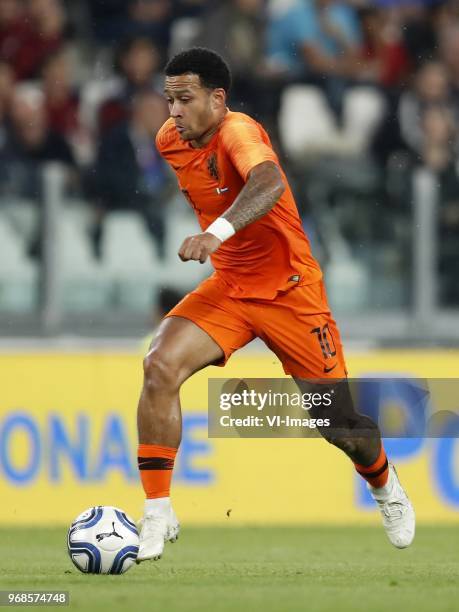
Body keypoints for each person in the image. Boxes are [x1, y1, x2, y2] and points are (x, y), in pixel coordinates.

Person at [135, 47, 415, 563]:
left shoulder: (239, 131)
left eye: (185, 99)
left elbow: (269, 182)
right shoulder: (168, 142)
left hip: (290, 293)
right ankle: (157, 513)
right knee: (159, 366)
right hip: (232, 288)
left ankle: (382, 483)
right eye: (168, 98)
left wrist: (215, 233)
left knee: (338, 426)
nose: (173, 111)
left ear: (217, 100)